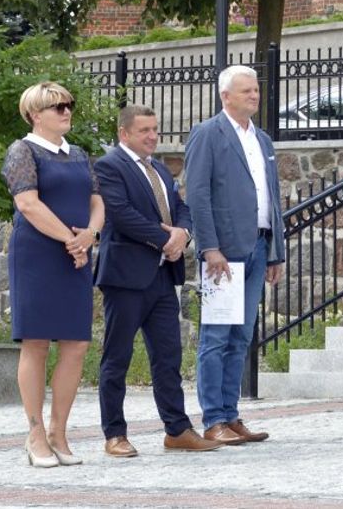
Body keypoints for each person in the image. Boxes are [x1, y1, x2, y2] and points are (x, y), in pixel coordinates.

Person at [94, 104, 223, 457]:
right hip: (125, 276)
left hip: (163, 276)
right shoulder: (110, 166)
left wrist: (183, 232)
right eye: (144, 131)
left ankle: (177, 429)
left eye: (155, 129)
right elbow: (120, 214)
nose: (153, 136)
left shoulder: (161, 170)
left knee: (168, 356)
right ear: (124, 134)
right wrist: (165, 239)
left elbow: (181, 208)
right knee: (117, 356)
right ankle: (115, 434)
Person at [2, 81, 105, 468]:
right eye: (57, 106)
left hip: (76, 252)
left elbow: (97, 201)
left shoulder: (79, 154)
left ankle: (59, 431)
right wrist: (71, 240)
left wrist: (90, 235)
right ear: (35, 114)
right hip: (39, 254)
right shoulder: (22, 151)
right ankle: (35, 433)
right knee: (37, 343)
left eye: (68, 104)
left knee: (77, 344)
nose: (66, 111)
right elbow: (28, 204)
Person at [184, 64, 285, 446]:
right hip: (223, 253)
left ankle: (230, 414)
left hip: (258, 248)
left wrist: (276, 252)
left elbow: (272, 199)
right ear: (225, 96)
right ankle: (213, 419)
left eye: (256, 90)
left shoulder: (262, 140)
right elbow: (197, 195)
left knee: (241, 336)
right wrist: (210, 247)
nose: (254, 96)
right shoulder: (208, 134)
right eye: (246, 91)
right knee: (216, 335)